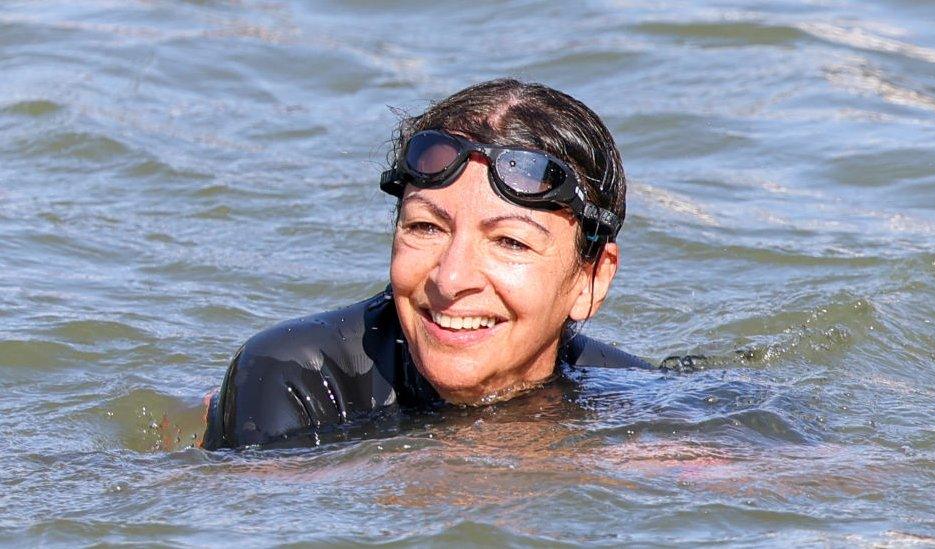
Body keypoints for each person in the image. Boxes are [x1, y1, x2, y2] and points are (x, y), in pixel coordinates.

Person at [202, 79, 651, 450]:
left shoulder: (637, 401)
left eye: (510, 242)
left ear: (591, 280)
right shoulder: (296, 377)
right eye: (425, 228)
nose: (450, 279)